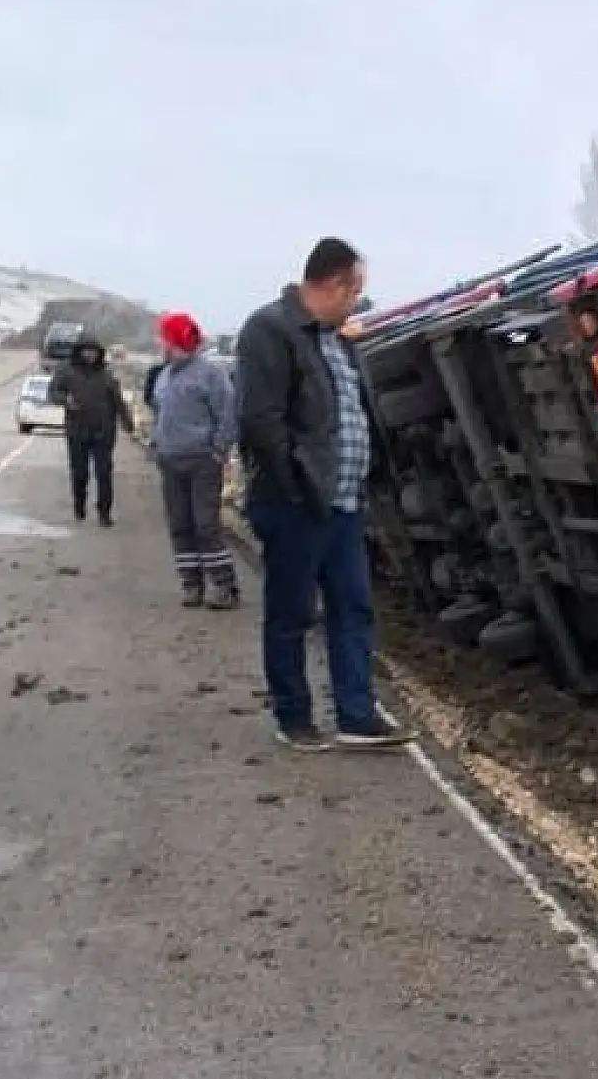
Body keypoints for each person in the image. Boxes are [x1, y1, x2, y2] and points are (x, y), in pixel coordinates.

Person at [235, 237, 417, 752]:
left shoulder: (335, 340)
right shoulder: (270, 329)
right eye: (355, 292)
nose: (356, 303)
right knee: (292, 612)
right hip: (296, 503)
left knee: (353, 608)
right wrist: (296, 485)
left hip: (342, 503)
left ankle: (356, 717)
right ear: (336, 284)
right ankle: (294, 717)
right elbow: (260, 420)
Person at [148, 311, 239, 610]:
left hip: (202, 461)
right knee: (179, 524)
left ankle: (224, 585)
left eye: (162, 337)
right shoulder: (163, 374)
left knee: (205, 525)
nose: (157, 342)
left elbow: (227, 414)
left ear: (175, 340)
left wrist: (218, 451)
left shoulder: (211, 374)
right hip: (170, 460)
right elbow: (160, 413)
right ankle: (191, 584)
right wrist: (156, 443)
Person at [47, 335, 133, 525]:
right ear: (79, 351)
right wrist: (66, 400)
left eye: (94, 352)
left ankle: (104, 513)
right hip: (77, 429)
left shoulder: (105, 373)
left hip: (103, 431)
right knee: (79, 472)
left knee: (104, 472)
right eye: (86, 351)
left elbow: (118, 400)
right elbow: (53, 393)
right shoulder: (66, 370)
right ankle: (79, 504)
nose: (90, 355)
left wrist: (128, 423)